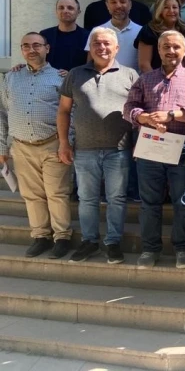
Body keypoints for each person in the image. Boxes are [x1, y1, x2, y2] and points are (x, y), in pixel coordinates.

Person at [123, 30, 185, 269]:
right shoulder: (145, 79)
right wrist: (145, 118)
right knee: (150, 203)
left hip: (183, 148)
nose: (171, 51)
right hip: (150, 148)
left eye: (176, 47)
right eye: (166, 47)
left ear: (184, 50)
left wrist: (172, 115)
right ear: (158, 50)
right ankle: (150, 249)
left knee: (183, 202)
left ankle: (182, 248)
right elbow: (129, 107)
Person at [58, 27, 138, 264]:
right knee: (87, 199)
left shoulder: (130, 75)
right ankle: (89, 241)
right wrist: (64, 143)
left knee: (117, 198)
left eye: (106, 43)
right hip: (84, 149)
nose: (102, 48)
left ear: (117, 48)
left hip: (119, 150)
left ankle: (113, 242)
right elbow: (63, 111)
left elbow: (138, 112)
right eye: (96, 43)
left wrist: (138, 145)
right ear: (90, 47)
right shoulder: (75, 74)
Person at [0, 33, 72, 259]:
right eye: (26, 46)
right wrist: (2, 148)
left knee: (56, 193)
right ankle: (40, 236)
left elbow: (71, 113)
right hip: (21, 146)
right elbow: (2, 113)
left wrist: (67, 143)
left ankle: (62, 237)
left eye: (36, 45)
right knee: (31, 195)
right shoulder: (10, 78)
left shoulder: (61, 77)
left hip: (53, 144)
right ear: (22, 50)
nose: (31, 50)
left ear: (47, 48)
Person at [84, 0, 142, 71]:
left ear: (130, 4)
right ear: (107, 6)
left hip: (134, 79)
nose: (118, 6)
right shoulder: (97, 31)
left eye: (122, 1)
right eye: (113, 2)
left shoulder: (141, 31)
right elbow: (90, 63)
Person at [135, 0, 185, 73]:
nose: (171, 11)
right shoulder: (149, 30)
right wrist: (155, 79)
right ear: (160, 10)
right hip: (155, 78)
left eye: (174, 7)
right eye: (166, 7)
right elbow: (144, 64)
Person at [40, 0, 90, 72]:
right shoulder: (45, 35)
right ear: (56, 11)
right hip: (49, 78)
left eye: (70, 8)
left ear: (78, 12)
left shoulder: (88, 36)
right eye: (61, 8)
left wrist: (71, 75)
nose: (65, 11)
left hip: (77, 78)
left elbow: (90, 64)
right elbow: (37, 58)